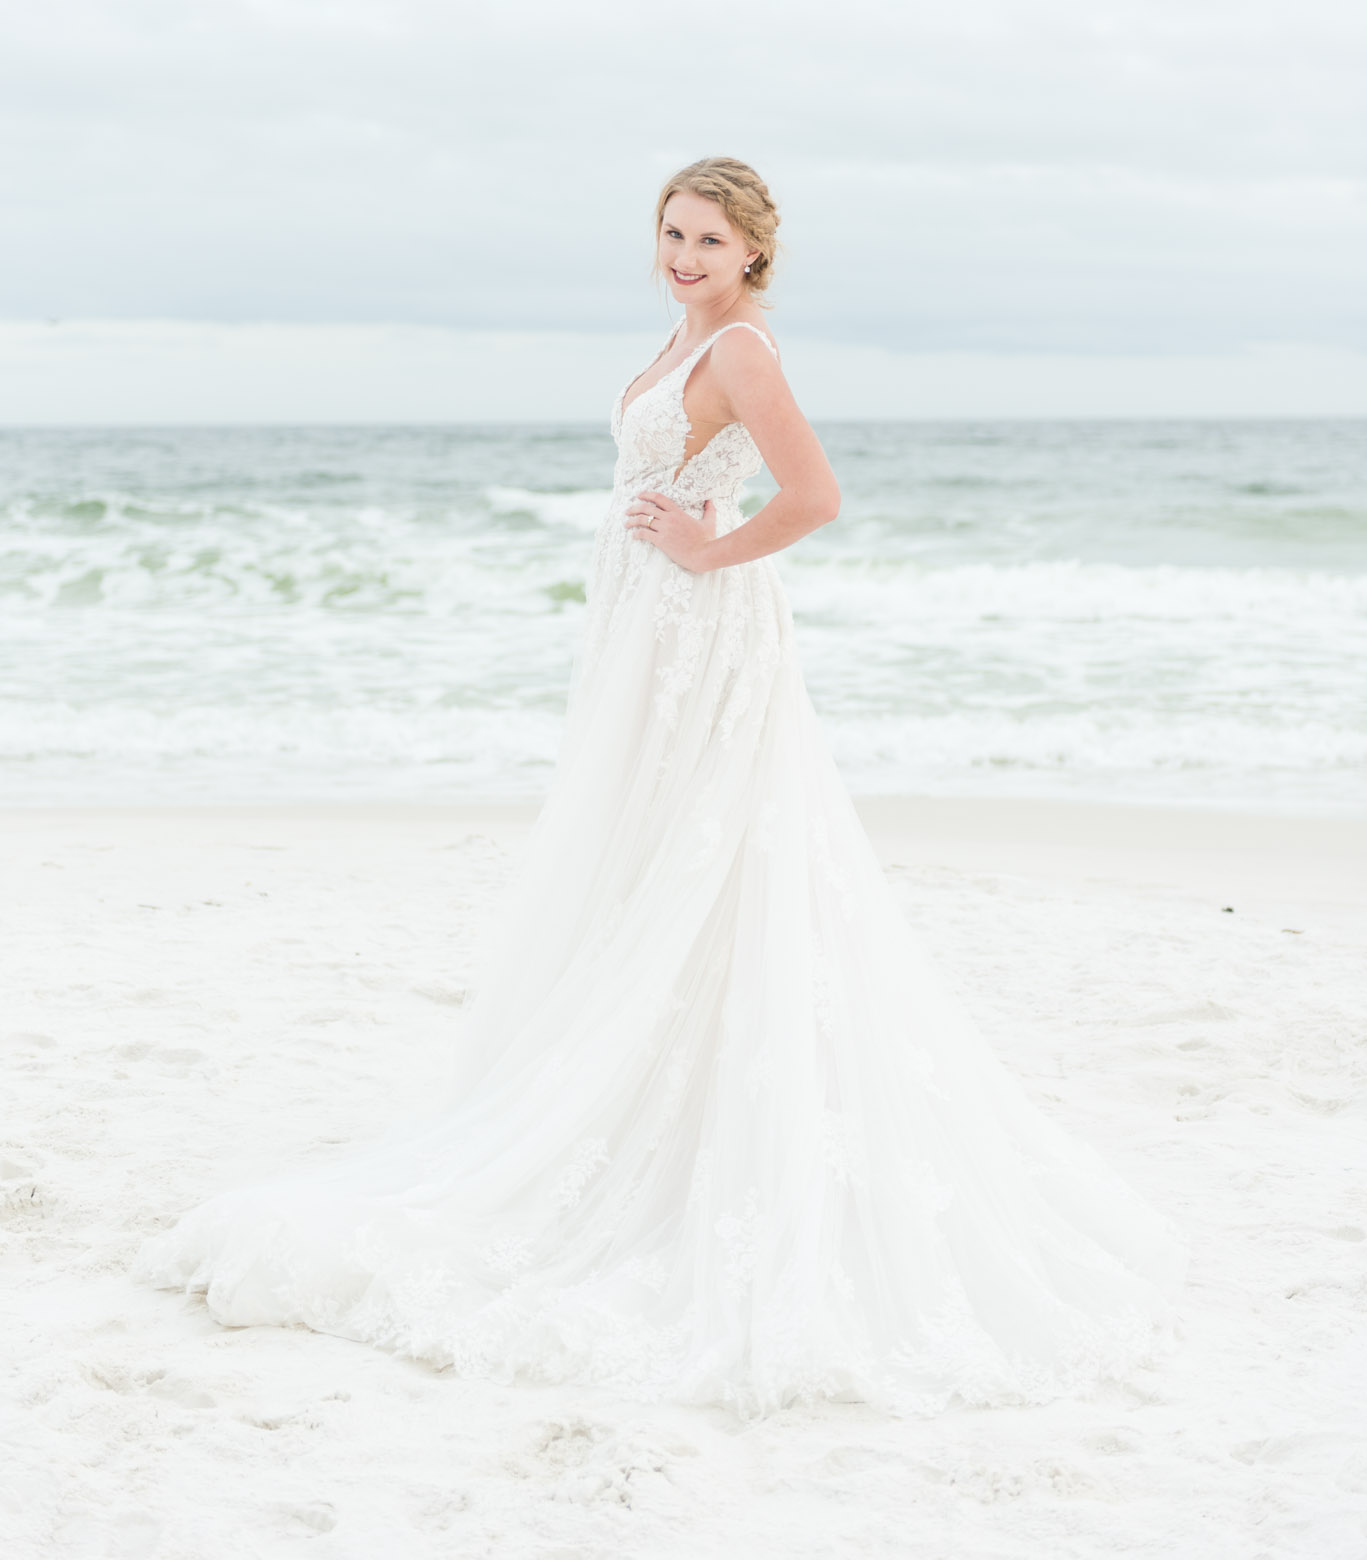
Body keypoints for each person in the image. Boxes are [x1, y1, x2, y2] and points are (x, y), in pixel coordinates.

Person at [138, 156, 1184, 1415]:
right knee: (644, 862)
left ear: (753, 252)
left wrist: (704, 546)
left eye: (710, 238)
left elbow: (814, 495)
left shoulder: (742, 349)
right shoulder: (678, 336)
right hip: (646, 630)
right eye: (673, 232)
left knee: (708, 859)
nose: (685, 254)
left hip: (703, 633)